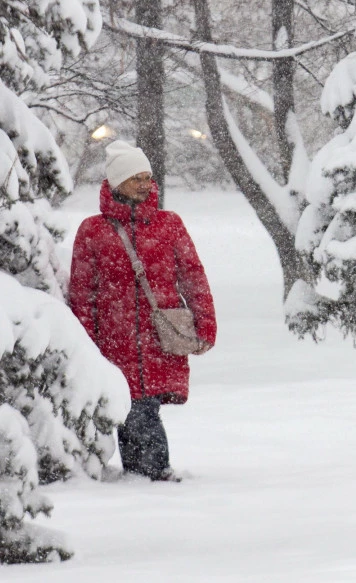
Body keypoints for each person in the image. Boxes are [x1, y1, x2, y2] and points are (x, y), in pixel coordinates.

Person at [69, 140, 216, 481]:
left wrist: (205, 325)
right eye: (135, 177)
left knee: (142, 405)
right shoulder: (93, 231)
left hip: (158, 335)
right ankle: (149, 475)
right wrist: (86, 343)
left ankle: (147, 475)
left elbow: (193, 276)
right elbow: (82, 294)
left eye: (147, 176)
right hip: (114, 339)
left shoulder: (169, 225)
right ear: (116, 182)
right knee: (132, 405)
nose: (144, 183)